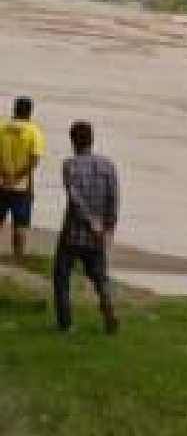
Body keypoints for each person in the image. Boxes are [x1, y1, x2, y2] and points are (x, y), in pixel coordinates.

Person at [53, 121, 119, 334]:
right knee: (99, 274)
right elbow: (113, 197)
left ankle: (66, 324)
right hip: (98, 234)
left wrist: (89, 221)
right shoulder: (108, 165)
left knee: (62, 276)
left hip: (73, 232)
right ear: (92, 139)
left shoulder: (69, 165)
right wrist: (108, 226)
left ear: (73, 141)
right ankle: (106, 300)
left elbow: (74, 198)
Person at [0, 96, 45, 259]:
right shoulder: (34, 132)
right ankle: (18, 259)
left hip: (1, 183)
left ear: (14, 109)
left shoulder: (2, 127)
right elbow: (34, 160)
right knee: (20, 226)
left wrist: (5, 174)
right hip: (22, 186)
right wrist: (17, 177)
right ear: (30, 112)